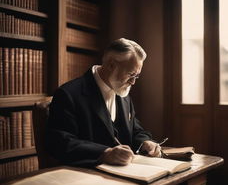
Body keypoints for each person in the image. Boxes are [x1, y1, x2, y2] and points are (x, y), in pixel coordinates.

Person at [46, 38, 161, 167]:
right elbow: (60, 143)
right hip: (85, 174)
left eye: (137, 76)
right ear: (111, 65)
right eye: (130, 74)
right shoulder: (68, 94)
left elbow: (136, 130)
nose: (133, 82)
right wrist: (104, 153)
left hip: (124, 172)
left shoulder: (122, 91)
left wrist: (145, 142)